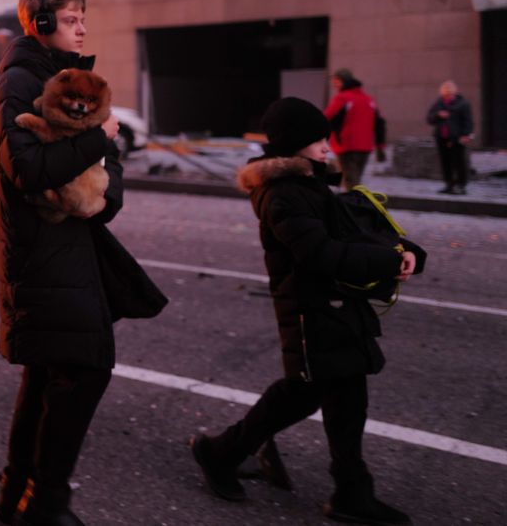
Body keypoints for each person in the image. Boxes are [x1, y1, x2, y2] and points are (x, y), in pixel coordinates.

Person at [190, 97, 424, 526]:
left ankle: (346, 489)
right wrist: (390, 263)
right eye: (317, 139)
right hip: (310, 311)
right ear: (295, 144)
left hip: (331, 309)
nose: (326, 146)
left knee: (333, 395)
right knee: (309, 394)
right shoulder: (283, 194)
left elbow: (351, 232)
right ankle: (224, 453)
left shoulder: (310, 185)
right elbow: (320, 253)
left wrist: (404, 251)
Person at [0, 0, 166, 526]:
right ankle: (44, 503)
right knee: (83, 369)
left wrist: (103, 188)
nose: (82, 28)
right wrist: (101, 139)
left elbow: (102, 188)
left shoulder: (59, 81)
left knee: (49, 373)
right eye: (70, 19)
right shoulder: (19, 84)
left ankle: (20, 497)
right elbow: (28, 170)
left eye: (82, 18)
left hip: (68, 251)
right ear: (40, 25)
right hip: (42, 255)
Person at [324, 68, 385, 190]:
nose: (334, 84)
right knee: (354, 178)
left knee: (351, 181)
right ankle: (350, 203)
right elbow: (379, 124)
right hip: (365, 147)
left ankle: (354, 205)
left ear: (343, 81)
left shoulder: (342, 98)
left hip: (346, 145)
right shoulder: (369, 100)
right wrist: (380, 146)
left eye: (336, 81)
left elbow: (326, 118)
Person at [426, 80, 474, 195]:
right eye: (445, 95)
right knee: (445, 163)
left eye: (449, 95)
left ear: (454, 93)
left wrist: (466, 134)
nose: (447, 97)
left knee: (459, 163)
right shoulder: (439, 103)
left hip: (457, 138)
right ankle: (449, 184)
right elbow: (429, 118)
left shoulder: (463, 104)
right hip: (442, 137)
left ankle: (461, 186)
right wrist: (438, 115)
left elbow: (468, 121)